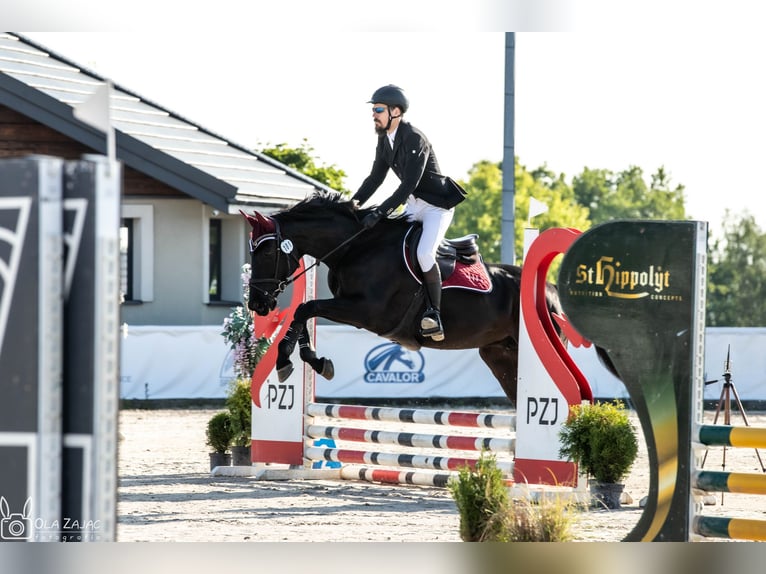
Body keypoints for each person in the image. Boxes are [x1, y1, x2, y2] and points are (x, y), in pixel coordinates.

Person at [352, 84, 466, 342]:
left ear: (395, 111)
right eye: (373, 110)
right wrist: (353, 204)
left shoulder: (415, 138)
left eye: (378, 109)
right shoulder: (385, 140)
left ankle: (434, 314)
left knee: (425, 253)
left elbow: (408, 186)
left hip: (437, 207)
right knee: (387, 243)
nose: (374, 114)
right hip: (414, 205)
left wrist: (380, 212)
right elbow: (375, 178)